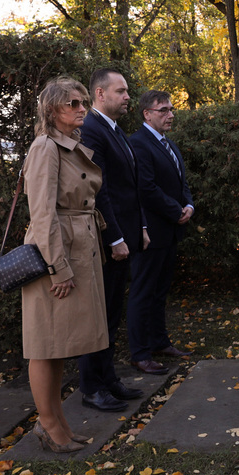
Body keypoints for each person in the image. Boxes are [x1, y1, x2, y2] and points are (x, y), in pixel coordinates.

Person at [21, 77, 108, 452]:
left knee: (57, 344)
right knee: (44, 344)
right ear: (51, 109)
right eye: (72, 103)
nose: (81, 108)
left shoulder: (67, 145)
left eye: (83, 101)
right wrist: (57, 268)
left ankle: (58, 422)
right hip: (55, 254)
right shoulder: (45, 147)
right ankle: (48, 424)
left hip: (76, 248)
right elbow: (42, 214)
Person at [76, 68, 150, 412]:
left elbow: (131, 187)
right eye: (120, 91)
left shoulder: (114, 129)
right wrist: (115, 237)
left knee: (111, 313)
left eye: (127, 91)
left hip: (126, 235)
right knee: (98, 315)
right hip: (106, 242)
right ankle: (92, 387)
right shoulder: (91, 129)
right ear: (100, 94)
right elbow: (99, 189)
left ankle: (108, 379)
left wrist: (141, 227)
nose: (127, 96)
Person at [127, 90, 194, 374]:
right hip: (149, 233)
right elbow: (145, 187)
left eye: (171, 109)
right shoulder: (138, 143)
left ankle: (159, 342)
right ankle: (140, 353)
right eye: (163, 110)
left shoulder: (169, 144)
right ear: (147, 114)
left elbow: (181, 182)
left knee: (160, 292)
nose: (170, 115)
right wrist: (175, 211)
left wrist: (188, 205)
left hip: (170, 232)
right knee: (143, 292)